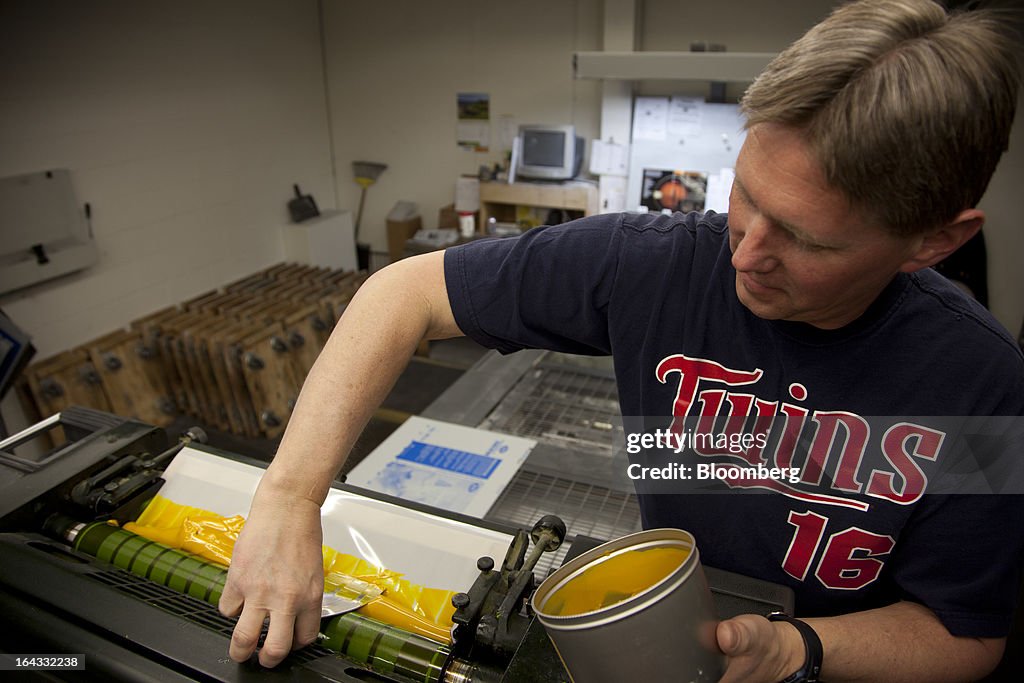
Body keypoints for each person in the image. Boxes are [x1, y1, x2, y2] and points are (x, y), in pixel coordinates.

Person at [218, 0, 1024, 680]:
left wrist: (798, 648)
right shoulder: (660, 265)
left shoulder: (980, 380)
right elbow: (401, 291)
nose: (744, 254)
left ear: (934, 243)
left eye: (808, 240)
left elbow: (967, 633)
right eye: (744, 194)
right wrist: (290, 498)